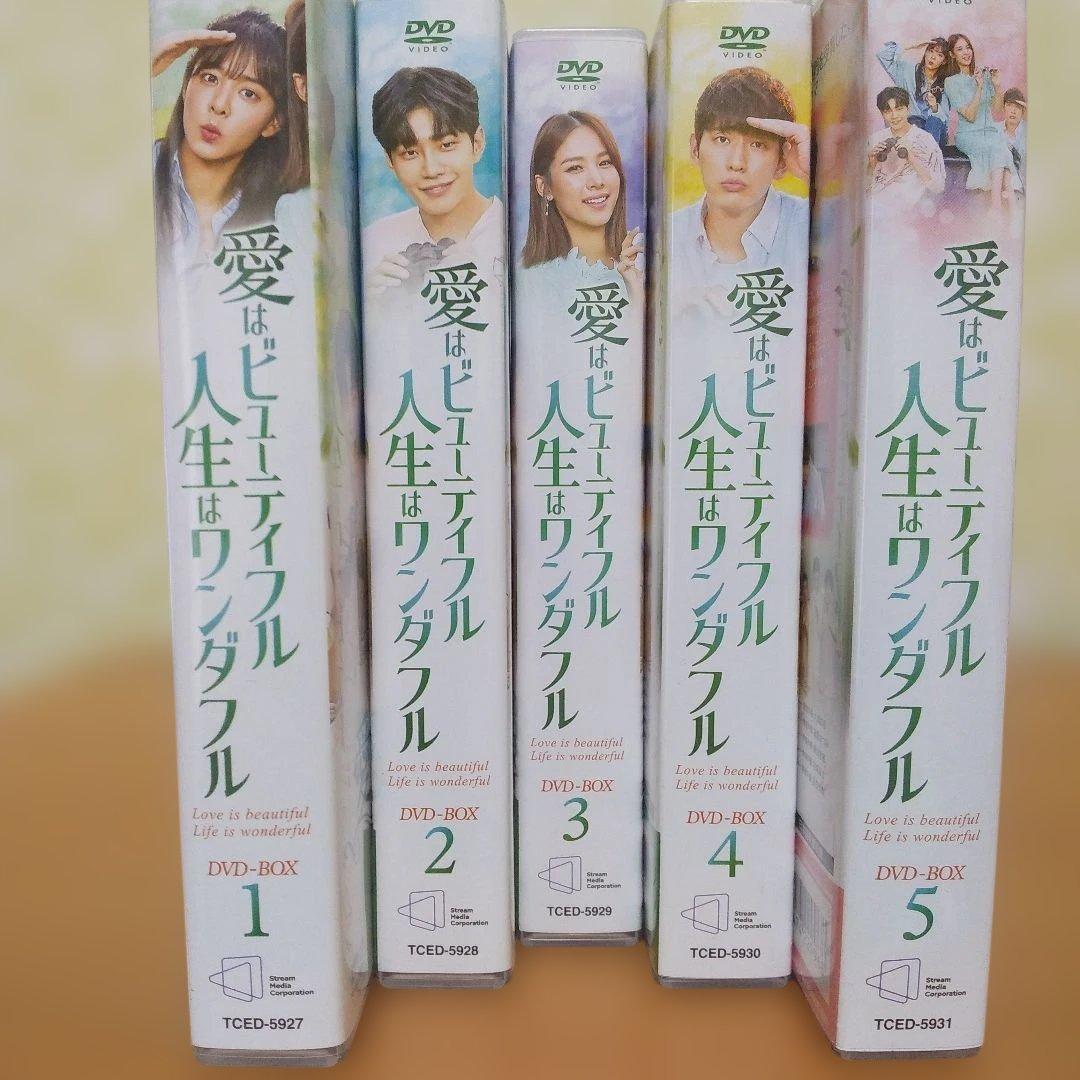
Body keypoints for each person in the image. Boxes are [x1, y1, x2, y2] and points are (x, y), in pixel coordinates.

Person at [151, 10, 289, 272]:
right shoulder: (137, 170)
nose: (219, 105)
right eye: (210, 78)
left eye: (248, 93)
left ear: (273, 123)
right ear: (186, 86)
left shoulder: (284, 216)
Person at [670, 67, 809, 317]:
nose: (737, 162)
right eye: (722, 139)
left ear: (781, 161)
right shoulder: (663, 238)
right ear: (695, 149)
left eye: (757, 144)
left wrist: (816, 174)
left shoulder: (813, 225)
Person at [364, 66, 502, 295]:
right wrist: (373, 305)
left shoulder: (521, 236)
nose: (431, 169)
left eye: (446, 145)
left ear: (477, 144)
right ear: (390, 160)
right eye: (410, 153)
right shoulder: (373, 244)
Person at [521, 111, 643, 309]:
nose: (597, 181)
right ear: (544, 187)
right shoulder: (526, 282)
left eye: (605, 163)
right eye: (575, 168)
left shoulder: (650, 262)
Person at [943, 33, 1015, 207]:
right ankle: (998, 207)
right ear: (952, 55)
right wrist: (979, 87)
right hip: (968, 135)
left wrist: (997, 85)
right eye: (960, 49)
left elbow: (997, 110)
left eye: (968, 47)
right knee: (999, 149)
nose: (966, 52)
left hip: (990, 132)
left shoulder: (984, 74)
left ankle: (1007, 209)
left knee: (1002, 149)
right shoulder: (951, 82)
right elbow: (970, 115)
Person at [867, 87, 945, 211]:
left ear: (908, 109)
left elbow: (938, 187)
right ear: (882, 114)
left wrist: (911, 157)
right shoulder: (875, 139)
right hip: (878, 206)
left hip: (910, 210)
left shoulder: (925, 139)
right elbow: (865, 187)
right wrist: (872, 161)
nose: (894, 116)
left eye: (899, 109)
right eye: (888, 111)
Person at [875, 39, 951, 146]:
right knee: (915, 122)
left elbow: (945, 120)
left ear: (944, 61)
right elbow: (882, 55)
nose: (933, 57)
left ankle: (927, 152)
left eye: (939, 55)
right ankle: (923, 153)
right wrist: (912, 45)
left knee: (934, 121)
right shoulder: (907, 71)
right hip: (913, 127)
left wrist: (934, 107)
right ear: (925, 52)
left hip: (936, 131)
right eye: (930, 51)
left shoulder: (945, 83)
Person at [1001, 87, 1027, 197]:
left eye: (1018, 107)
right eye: (1009, 105)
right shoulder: (996, 131)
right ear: (1003, 108)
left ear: (1023, 111)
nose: (1013, 111)